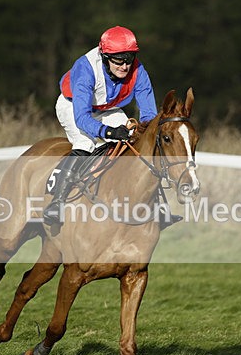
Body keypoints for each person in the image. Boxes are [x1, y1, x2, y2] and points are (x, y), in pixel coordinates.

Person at [43, 25, 158, 225]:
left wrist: (144, 132)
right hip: (74, 107)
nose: (124, 66)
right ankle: (57, 203)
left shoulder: (138, 70)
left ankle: (155, 205)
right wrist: (109, 131)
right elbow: (82, 118)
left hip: (107, 108)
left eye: (129, 59)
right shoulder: (85, 67)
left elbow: (149, 113)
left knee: (133, 141)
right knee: (86, 142)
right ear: (105, 57)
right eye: (118, 60)